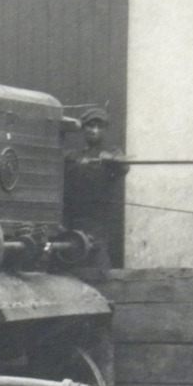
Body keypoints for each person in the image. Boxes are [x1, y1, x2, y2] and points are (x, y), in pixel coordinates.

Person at [63, 107, 129, 269]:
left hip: (98, 219)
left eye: (99, 127)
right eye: (90, 126)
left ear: (105, 131)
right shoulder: (75, 155)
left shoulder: (112, 152)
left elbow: (123, 167)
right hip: (74, 216)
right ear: (84, 129)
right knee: (69, 257)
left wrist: (112, 160)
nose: (94, 131)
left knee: (97, 260)